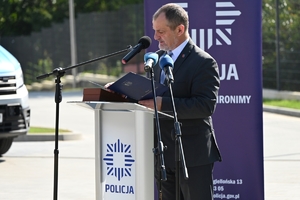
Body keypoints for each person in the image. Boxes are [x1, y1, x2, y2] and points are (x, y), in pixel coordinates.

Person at [138, 3, 222, 200]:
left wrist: (161, 104)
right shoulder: (157, 59)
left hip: (192, 155)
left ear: (180, 29)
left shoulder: (203, 62)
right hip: (163, 154)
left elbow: (205, 105)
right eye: (154, 31)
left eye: (161, 31)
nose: (156, 37)